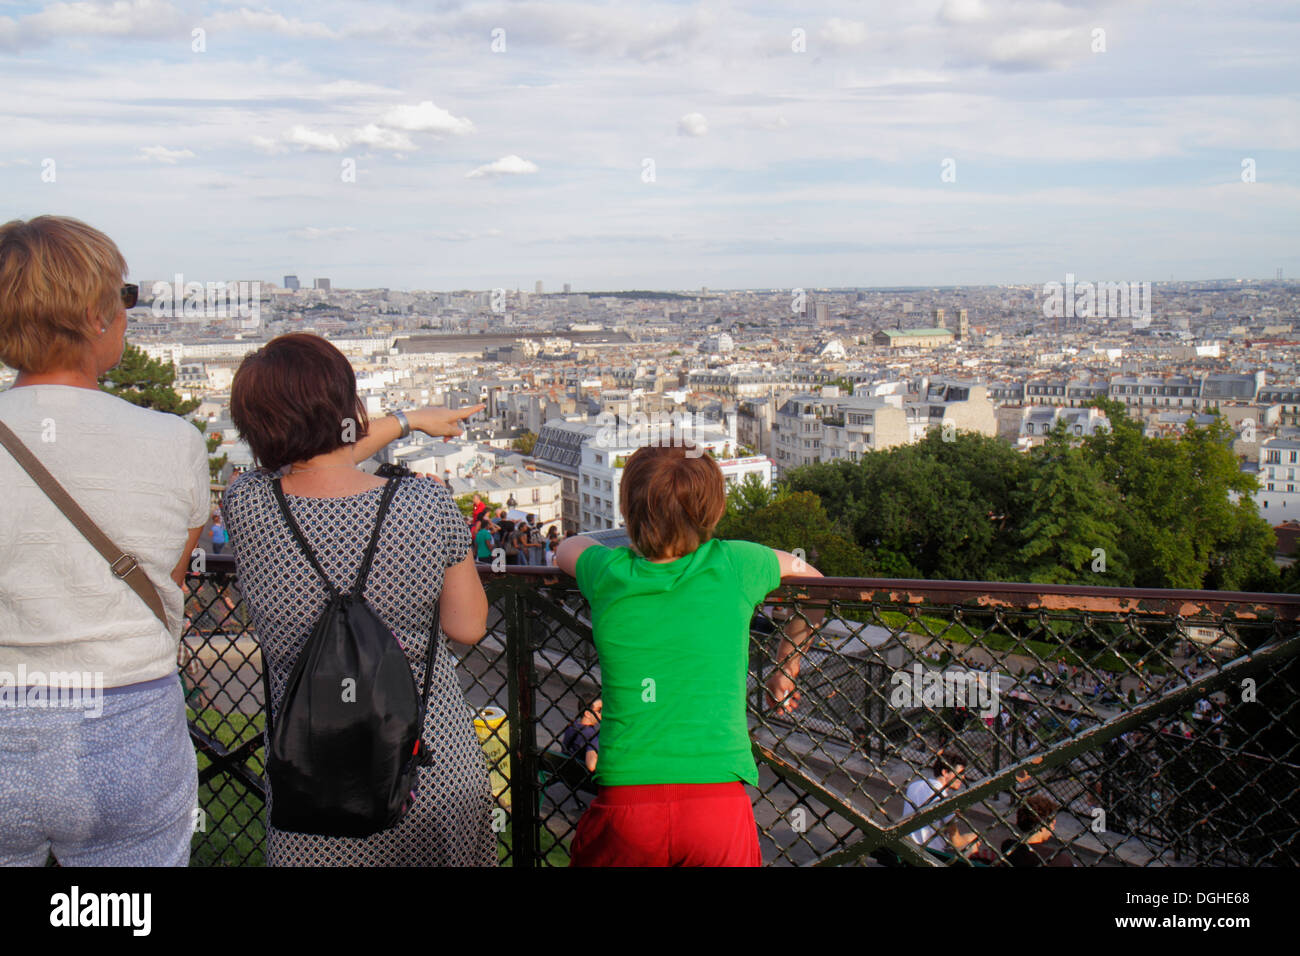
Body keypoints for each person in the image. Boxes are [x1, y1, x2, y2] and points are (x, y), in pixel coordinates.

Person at [220, 332, 495, 866]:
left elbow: (313, 461)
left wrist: (406, 420)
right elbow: (468, 627)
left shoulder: (247, 503)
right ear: (350, 408)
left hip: (313, 772)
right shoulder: (424, 501)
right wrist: (406, 420)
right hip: (428, 765)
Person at [0, 215, 207, 866]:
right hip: (126, 721)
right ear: (96, 317)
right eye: (124, 298)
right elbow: (170, 581)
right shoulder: (174, 442)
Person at [555, 444, 824, 867]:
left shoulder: (608, 571)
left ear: (629, 509)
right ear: (712, 511)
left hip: (629, 797)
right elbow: (815, 588)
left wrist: (628, 537)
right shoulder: (736, 563)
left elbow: (567, 547)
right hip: (717, 800)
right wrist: (785, 665)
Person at [901, 750, 981, 858]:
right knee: (972, 843)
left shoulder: (914, 785)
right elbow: (956, 841)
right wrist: (971, 838)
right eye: (960, 773)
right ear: (945, 772)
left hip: (906, 847)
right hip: (931, 855)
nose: (962, 778)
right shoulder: (945, 800)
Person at [1000, 793, 1076, 866]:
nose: (1053, 828)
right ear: (1043, 825)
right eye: (1052, 823)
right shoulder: (1059, 860)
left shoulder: (1008, 847)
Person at [562, 697, 603, 772]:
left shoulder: (572, 726)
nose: (602, 714)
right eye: (599, 710)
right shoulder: (591, 735)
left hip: (564, 771)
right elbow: (591, 766)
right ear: (587, 713)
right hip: (579, 777)